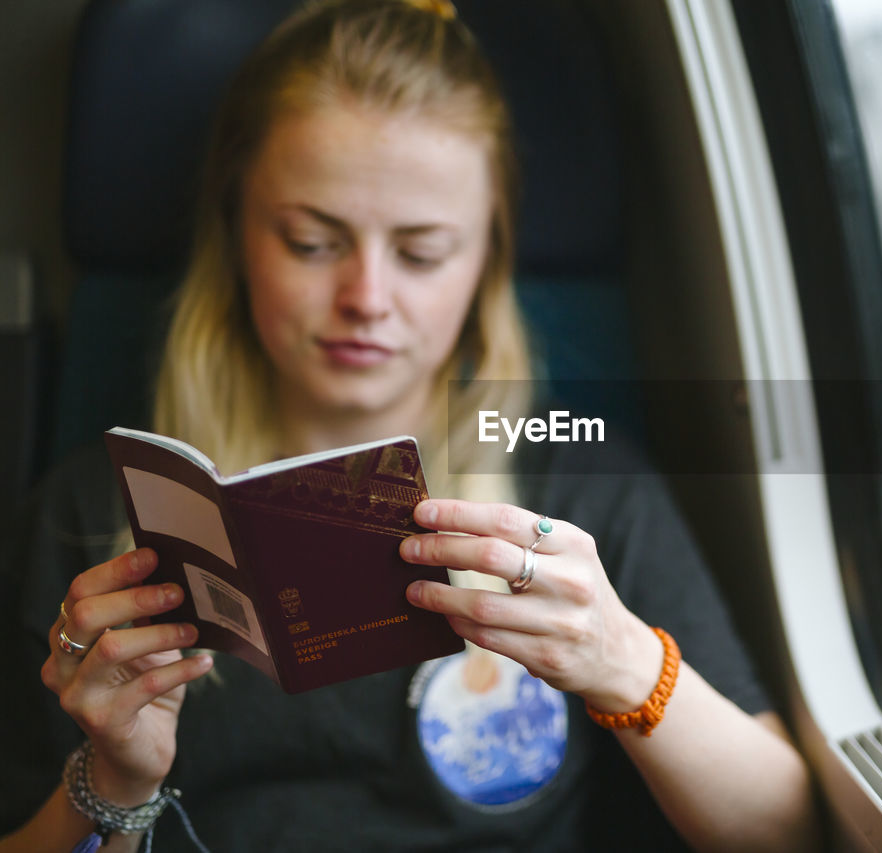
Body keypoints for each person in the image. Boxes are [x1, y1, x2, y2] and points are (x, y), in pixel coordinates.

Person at [0, 0, 821, 850]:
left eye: (423, 253)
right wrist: (114, 780)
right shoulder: (102, 514)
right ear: (237, 231)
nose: (367, 298)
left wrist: (626, 663)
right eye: (312, 242)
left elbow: (782, 834)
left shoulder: (575, 482)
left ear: (485, 263)